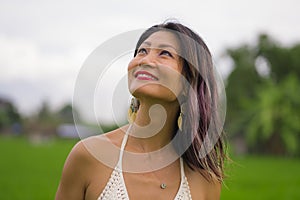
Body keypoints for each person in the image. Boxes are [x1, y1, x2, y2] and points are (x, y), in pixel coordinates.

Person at [55, 21, 227, 200]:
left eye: (165, 53)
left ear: (188, 84)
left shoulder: (205, 180)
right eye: (142, 51)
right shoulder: (88, 156)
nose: (145, 60)